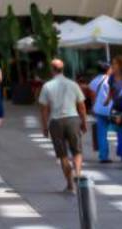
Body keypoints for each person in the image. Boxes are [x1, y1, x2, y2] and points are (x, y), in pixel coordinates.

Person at [36, 58, 88, 193]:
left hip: (56, 122)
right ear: (63, 69)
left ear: (52, 69)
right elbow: (81, 106)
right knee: (77, 151)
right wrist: (84, 122)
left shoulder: (47, 86)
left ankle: (70, 185)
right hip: (72, 119)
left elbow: (44, 109)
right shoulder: (73, 84)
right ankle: (77, 172)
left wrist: (45, 126)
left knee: (62, 155)